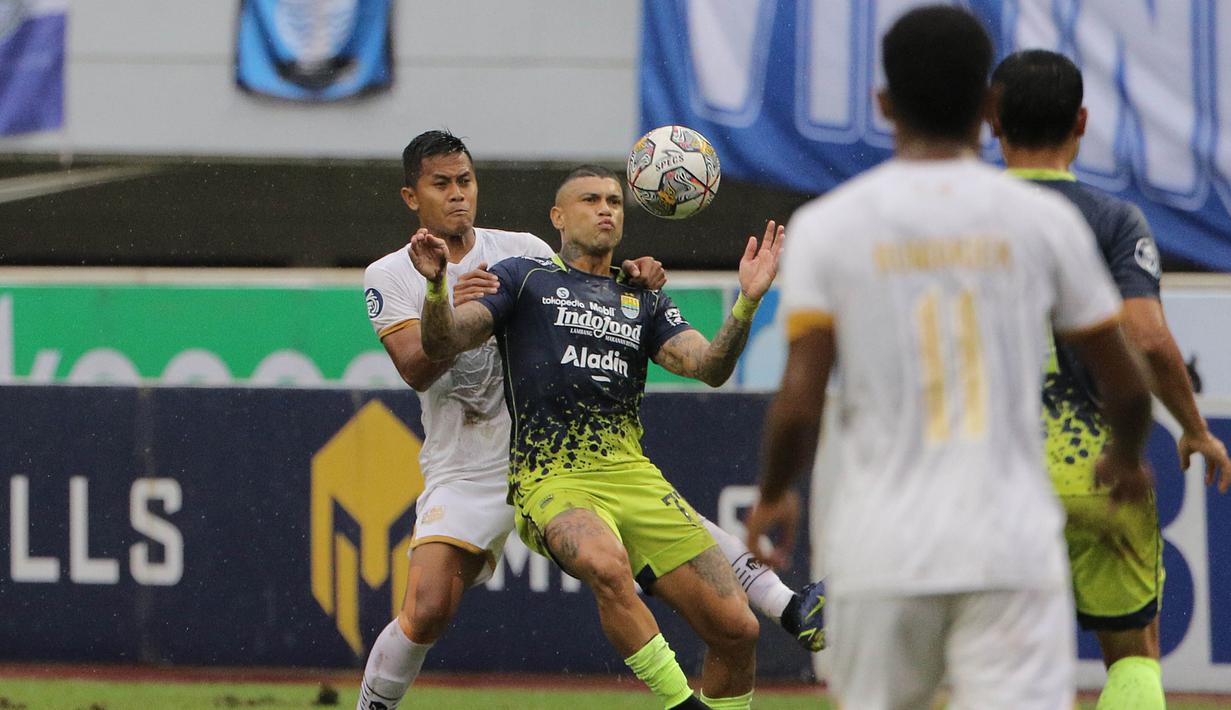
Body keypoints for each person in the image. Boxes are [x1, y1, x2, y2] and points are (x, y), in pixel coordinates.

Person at [744, 6, 1155, 710]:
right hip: (1010, 544)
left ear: (882, 105)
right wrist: (1122, 454)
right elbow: (1126, 382)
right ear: (988, 108)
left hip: (880, 544)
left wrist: (778, 490)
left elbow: (800, 400)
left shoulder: (829, 226)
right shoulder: (1044, 223)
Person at [357, 132, 820, 710]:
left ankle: (788, 605)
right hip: (475, 463)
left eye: (466, 181)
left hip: (576, 455)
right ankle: (372, 706)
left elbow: (583, 284)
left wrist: (633, 280)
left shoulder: (519, 252)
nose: (458, 195)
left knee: (702, 571)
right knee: (426, 609)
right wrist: (441, 297)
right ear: (411, 196)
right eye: (441, 184)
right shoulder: (390, 273)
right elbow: (417, 369)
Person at [990, 49, 1231, 710]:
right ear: (1082, 122)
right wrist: (1194, 429)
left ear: (993, 124)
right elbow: (1148, 338)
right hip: (1093, 466)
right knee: (1132, 651)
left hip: (981, 473)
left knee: (995, 661)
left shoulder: (954, 217)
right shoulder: (1110, 220)